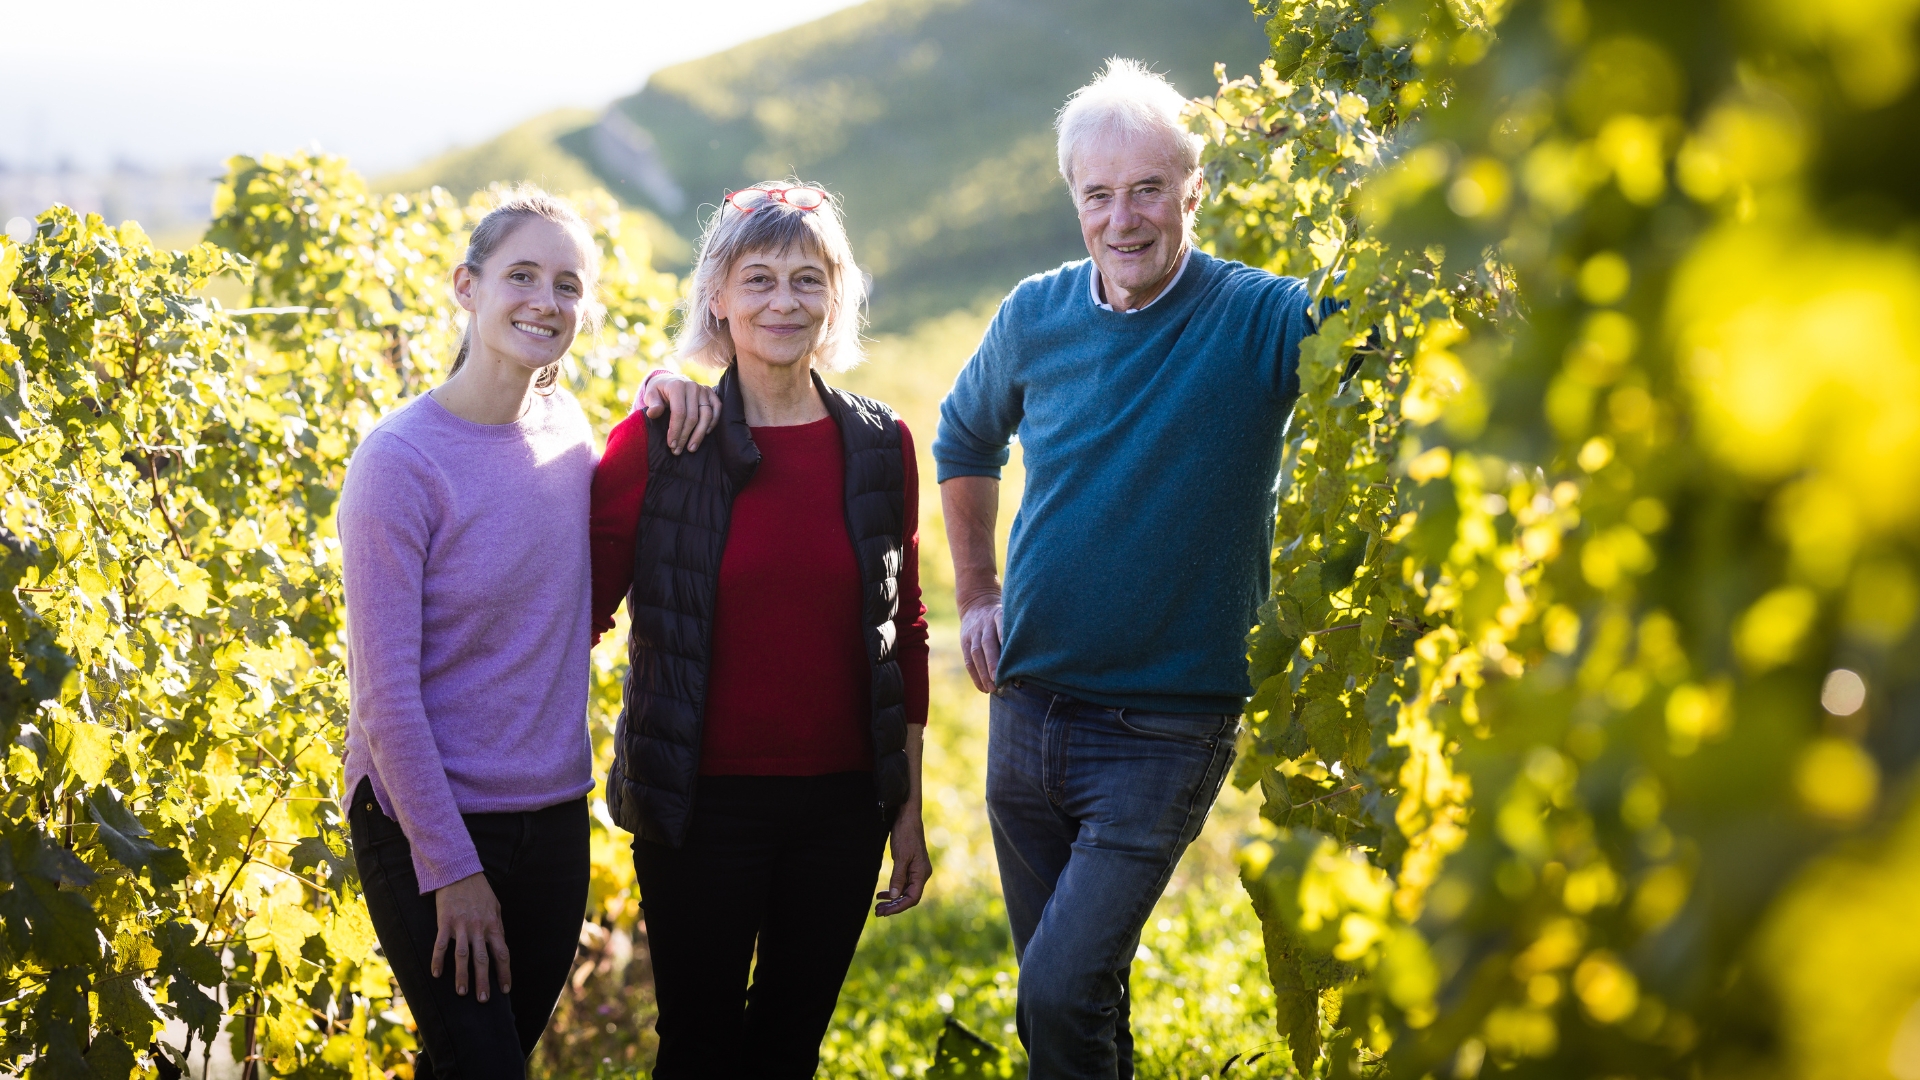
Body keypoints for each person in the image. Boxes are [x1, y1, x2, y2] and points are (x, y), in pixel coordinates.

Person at [932, 60, 1343, 1079]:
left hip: (1164, 729)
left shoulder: (1257, 318)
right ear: (1075, 200)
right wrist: (978, 593)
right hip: (1026, 716)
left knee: (1059, 991)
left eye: (1149, 188)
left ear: (1193, 192)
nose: (1125, 219)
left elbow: (1377, 325)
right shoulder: (1036, 314)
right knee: (1072, 1010)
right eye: (1099, 195)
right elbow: (963, 437)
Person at [339, 187, 716, 1079]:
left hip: (552, 817)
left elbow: (614, 467)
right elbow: (382, 696)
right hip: (423, 817)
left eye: (568, 285)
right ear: (466, 286)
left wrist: (660, 387)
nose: (546, 303)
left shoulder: (568, 431)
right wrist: (451, 870)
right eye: (521, 276)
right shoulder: (400, 465)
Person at [590, 180, 933, 1079]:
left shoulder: (880, 443)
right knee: (698, 1050)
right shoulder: (662, 441)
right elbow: (575, 614)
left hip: (842, 811)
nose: (785, 301)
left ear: (837, 294)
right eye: (760, 279)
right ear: (718, 295)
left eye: (808, 280)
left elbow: (906, 629)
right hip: (698, 809)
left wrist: (908, 809)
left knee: (788, 1049)